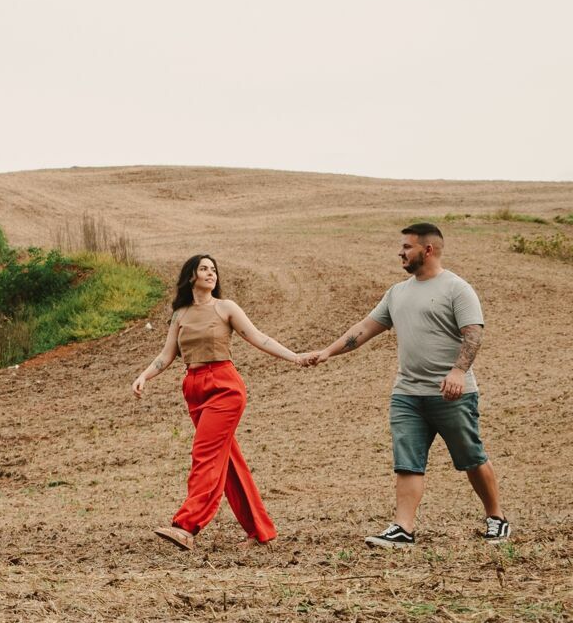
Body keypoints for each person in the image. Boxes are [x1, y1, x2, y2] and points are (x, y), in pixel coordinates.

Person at [300, 222, 510, 547]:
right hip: (407, 395)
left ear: (428, 250)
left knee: (471, 456)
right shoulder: (397, 293)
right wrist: (328, 352)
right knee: (407, 461)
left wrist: (457, 372)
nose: (400, 252)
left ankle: (497, 518)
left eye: (407, 247)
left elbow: (474, 333)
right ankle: (403, 528)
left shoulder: (456, 288)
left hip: (452, 394)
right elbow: (365, 328)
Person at [132, 253, 303, 549]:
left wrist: (295, 357)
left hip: (224, 386)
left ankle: (186, 527)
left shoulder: (225, 308)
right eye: (204, 269)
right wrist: (144, 376)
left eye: (214, 270)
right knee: (229, 462)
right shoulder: (181, 314)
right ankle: (260, 531)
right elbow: (167, 355)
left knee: (205, 454)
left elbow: (258, 338)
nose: (211, 274)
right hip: (194, 387)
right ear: (191, 277)